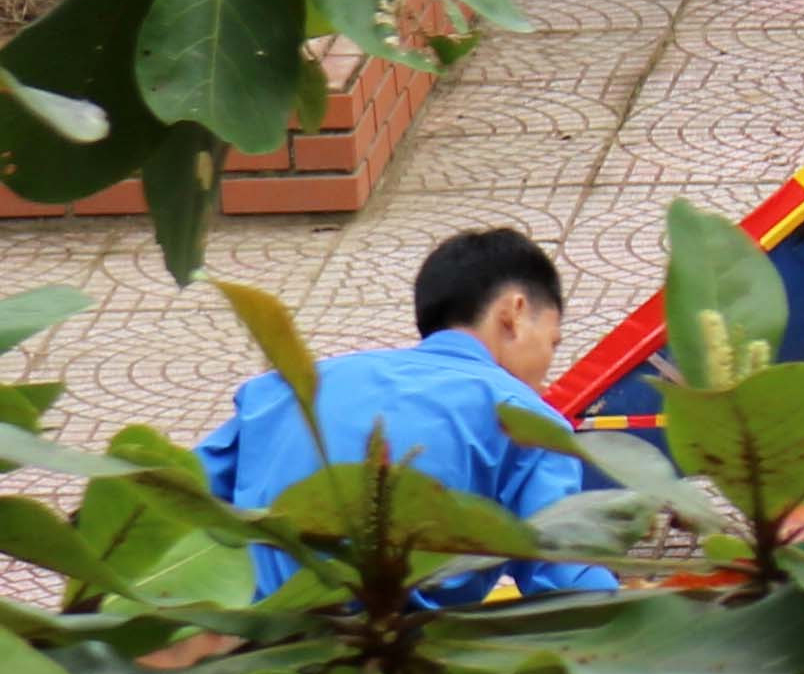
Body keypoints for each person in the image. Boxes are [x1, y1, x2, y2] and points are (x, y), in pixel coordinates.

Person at [199, 228, 610, 604]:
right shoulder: (527, 423)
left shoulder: (286, 388)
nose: (545, 376)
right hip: (404, 663)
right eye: (552, 343)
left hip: (257, 654)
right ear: (514, 311)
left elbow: (178, 490)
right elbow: (571, 581)